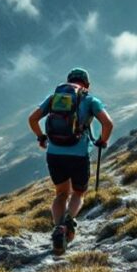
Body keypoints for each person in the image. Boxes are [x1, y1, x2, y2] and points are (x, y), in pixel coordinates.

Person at [27, 67, 114, 255]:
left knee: (60, 194)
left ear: (68, 81)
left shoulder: (53, 98)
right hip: (78, 155)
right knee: (79, 192)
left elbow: (33, 119)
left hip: (54, 154)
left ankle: (58, 228)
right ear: (87, 84)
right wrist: (103, 140)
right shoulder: (90, 100)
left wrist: (41, 137)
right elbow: (108, 124)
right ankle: (69, 221)